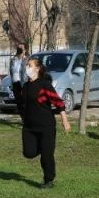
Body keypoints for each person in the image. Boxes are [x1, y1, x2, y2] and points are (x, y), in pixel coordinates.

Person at [21, 57, 71, 189]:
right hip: (29, 127)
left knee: (47, 156)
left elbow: (58, 102)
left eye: (30, 65)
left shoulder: (44, 85)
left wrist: (65, 121)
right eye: (27, 65)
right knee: (28, 153)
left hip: (46, 126)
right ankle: (43, 148)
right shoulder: (26, 86)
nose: (27, 68)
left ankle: (49, 180)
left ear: (37, 68)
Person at [10, 43, 28, 117]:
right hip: (15, 83)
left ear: (25, 50)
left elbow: (28, 73)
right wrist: (11, 83)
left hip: (24, 83)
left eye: (21, 48)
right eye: (19, 48)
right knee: (19, 103)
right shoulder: (13, 60)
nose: (20, 50)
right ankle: (23, 120)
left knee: (25, 102)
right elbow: (11, 72)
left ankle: (28, 119)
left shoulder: (27, 60)